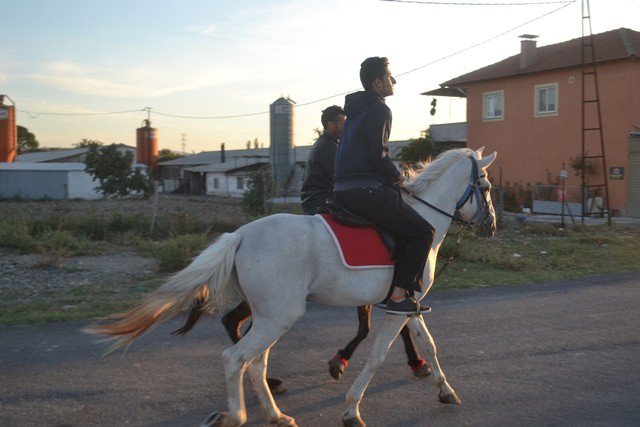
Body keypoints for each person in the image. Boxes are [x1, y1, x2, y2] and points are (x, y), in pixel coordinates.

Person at [333, 56, 434, 315]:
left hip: (342, 192)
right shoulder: (379, 108)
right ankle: (399, 296)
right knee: (423, 232)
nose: (394, 80)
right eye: (390, 76)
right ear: (378, 82)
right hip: (365, 191)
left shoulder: (354, 112)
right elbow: (377, 154)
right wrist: (399, 177)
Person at [301, 105, 347, 214]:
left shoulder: (325, 143)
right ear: (331, 125)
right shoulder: (328, 147)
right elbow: (341, 175)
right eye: (342, 124)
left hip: (316, 199)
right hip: (321, 201)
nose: (345, 128)